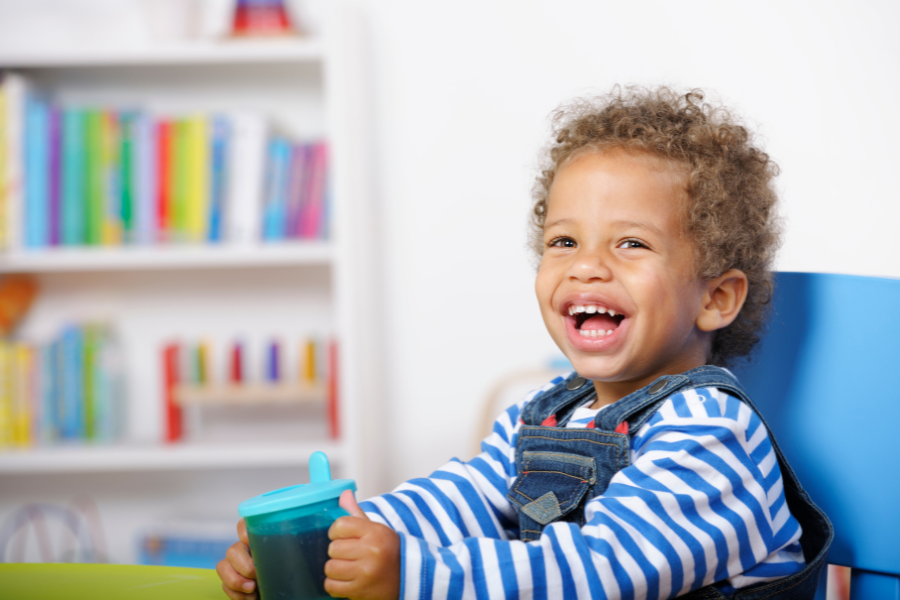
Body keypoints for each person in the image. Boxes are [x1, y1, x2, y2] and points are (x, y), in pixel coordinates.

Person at [217, 86, 832, 600]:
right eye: (564, 242)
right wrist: (344, 537)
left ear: (716, 298)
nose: (586, 267)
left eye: (631, 243)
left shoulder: (711, 432)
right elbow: (465, 499)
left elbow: (603, 569)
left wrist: (413, 574)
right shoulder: (547, 412)